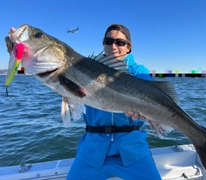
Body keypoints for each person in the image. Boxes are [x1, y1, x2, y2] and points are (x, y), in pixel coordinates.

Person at [5, 24, 162, 180]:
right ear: (103, 43)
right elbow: (44, 69)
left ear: (129, 47)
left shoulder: (138, 71)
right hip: (93, 152)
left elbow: (149, 87)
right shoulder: (85, 65)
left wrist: (145, 103)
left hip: (134, 152)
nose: (113, 46)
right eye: (108, 41)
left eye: (120, 43)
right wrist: (20, 54)